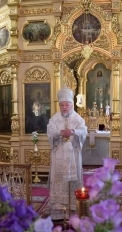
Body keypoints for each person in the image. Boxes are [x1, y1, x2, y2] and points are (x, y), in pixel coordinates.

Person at [47, 87, 87, 220]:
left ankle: (74, 208)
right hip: (58, 155)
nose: (64, 107)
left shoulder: (78, 119)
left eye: (67, 105)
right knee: (59, 180)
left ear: (71, 105)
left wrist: (73, 132)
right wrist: (60, 132)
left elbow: (84, 131)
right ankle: (59, 210)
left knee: (74, 180)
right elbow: (50, 132)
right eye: (62, 105)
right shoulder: (54, 119)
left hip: (73, 157)